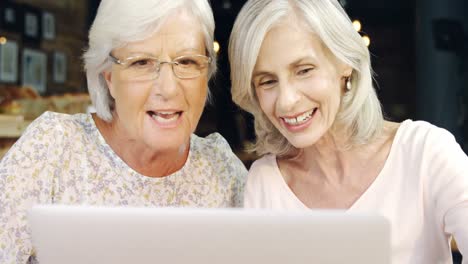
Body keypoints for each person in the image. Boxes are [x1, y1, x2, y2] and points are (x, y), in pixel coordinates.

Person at [0, 0, 247, 262]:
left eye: (186, 61)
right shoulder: (53, 149)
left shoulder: (222, 170)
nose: (169, 88)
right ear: (108, 78)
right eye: (141, 62)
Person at [229, 0, 468, 263]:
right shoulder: (265, 182)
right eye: (267, 81)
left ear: (345, 65)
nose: (286, 100)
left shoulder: (425, 153)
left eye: (304, 70)